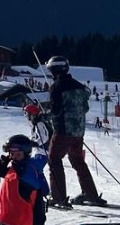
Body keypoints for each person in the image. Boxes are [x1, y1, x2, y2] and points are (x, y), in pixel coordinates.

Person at [45, 56, 106, 209]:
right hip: (78, 132)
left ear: (53, 70)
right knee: (78, 161)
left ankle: (58, 198)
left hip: (62, 132)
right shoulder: (79, 86)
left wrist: (41, 116)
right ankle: (90, 194)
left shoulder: (56, 87)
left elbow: (56, 111)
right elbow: (85, 108)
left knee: (54, 160)